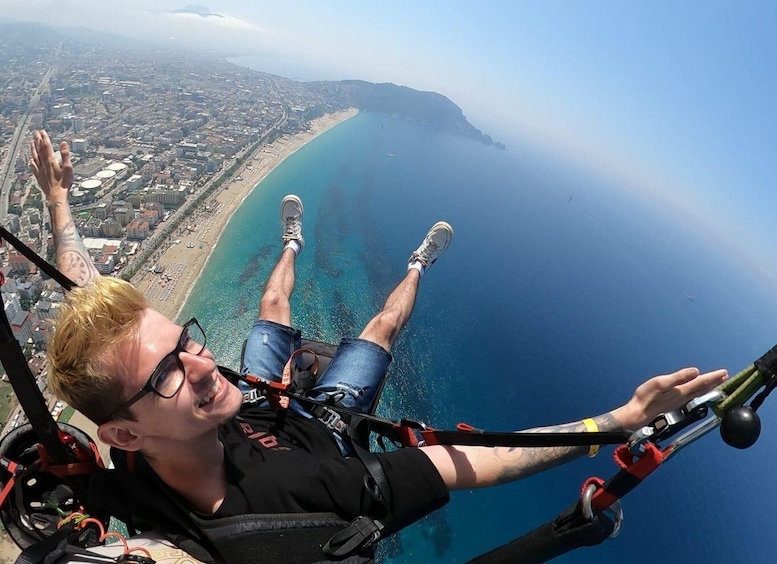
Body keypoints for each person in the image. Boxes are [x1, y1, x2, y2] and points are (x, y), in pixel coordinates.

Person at [30, 130, 728, 553]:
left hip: (264, 406)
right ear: (123, 433)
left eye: (187, 340)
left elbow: (88, 298)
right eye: (169, 375)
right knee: (381, 329)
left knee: (273, 299)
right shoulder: (308, 493)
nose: (200, 361)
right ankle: (417, 265)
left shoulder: (145, 444)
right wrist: (614, 422)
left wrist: (60, 201)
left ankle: (298, 245)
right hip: (327, 426)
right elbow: (473, 460)